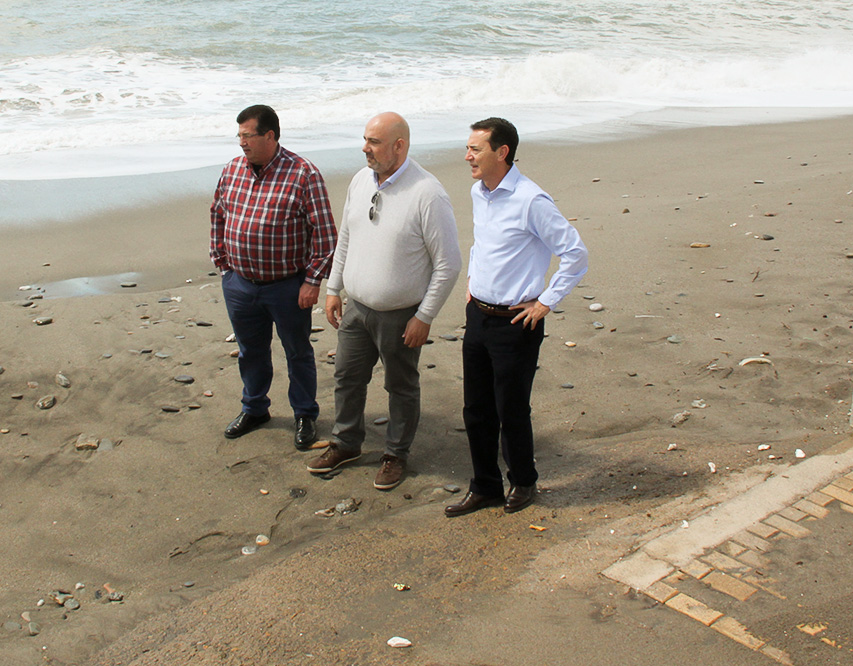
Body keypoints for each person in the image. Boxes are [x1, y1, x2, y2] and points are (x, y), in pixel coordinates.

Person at [306, 112, 461, 490]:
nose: (365, 148)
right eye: (365, 140)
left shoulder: (427, 192)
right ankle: (346, 443)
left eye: (373, 142)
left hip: (401, 314)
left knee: (401, 385)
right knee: (347, 378)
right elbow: (346, 238)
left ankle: (396, 453)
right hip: (357, 308)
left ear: (399, 146)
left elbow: (449, 264)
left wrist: (424, 316)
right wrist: (332, 289)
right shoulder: (361, 181)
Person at [445, 117, 588, 517]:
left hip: (516, 322)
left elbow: (575, 254)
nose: (468, 155)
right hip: (479, 315)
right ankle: (485, 486)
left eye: (476, 149)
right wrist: (473, 280)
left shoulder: (531, 200)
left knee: (511, 409)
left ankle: (523, 481)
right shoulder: (479, 192)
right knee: (476, 409)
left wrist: (545, 302)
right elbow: (482, 242)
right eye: (468, 148)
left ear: (501, 152)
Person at [211, 104, 337, 449]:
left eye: (247, 135)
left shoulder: (303, 174)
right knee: (250, 350)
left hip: (286, 286)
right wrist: (222, 263)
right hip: (239, 283)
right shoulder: (232, 170)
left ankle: (304, 414)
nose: (241, 143)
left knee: (297, 351)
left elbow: (325, 235)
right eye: (238, 136)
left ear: (270, 135)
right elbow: (218, 214)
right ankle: (254, 408)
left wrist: (312, 281)